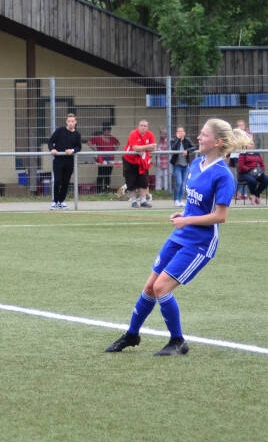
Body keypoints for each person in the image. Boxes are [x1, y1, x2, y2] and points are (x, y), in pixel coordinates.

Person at [105, 119, 251, 357]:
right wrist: (184, 215)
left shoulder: (223, 175)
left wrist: (188, 220)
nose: (199, 137)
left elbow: (220, 216)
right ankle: (131, 334)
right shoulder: (195, 164)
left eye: (204, 134)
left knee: (161, 287)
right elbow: (196, 205)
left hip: (200, 243)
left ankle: (178, 341)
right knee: (150, 287)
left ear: (217, 142)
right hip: (181, 234)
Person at [47, 113, 81, 209]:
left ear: (75, 122)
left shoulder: (77, 134)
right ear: (66, 122)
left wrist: (72, 150)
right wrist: (52, 149)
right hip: (58, 160)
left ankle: (61, 201)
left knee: (66, 182)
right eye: (69, 121)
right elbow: (50, 142)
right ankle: (55, 201)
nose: (71, 123)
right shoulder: (60, 131)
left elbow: (78, 147)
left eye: (72, 121)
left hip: (69, 162)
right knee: (57, 181)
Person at [122, 119, 156, 208]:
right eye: (141, 125)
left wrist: (142, 148)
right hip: (130, 160)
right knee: (131, 181)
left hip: (142, 161)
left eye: (145, 126)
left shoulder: (150, 134)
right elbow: (135, 148)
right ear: (138, 126)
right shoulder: (133, 133)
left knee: (143, 181)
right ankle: (133, 201)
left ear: (147, 127)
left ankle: (143, 201)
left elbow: (154, 148)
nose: (143, 127)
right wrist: (147, 147)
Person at [88, 123, 119, 194]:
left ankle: (106, 189)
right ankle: (99, 191)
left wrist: (115, 149)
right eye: (107, 131)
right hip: (101, 159)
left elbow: (118, 143)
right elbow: (89, 142)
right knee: (101, 174)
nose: (108, 132)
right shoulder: (98, 138)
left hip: (110, 159)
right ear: (103, 131)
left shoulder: (112, 138)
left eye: (109, 130)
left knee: (108, 175)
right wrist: (94, 149)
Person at [170, 126, 196, 207]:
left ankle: (180, 200)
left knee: (184, 184)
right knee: (179, 182)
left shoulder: (187, 140)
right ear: (176, 133)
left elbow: (194, 147)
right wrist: (178, 139)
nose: (180, 133)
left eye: (181, 131)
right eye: (178, 131)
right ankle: (176, 200)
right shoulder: (173, 140)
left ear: (184, 132)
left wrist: (187, 151)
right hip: (177, 165)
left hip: (185, 165)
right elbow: (173, 148)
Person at [237, 138, 267, 205]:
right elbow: (241, 166)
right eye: (250, 144)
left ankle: (256, 195)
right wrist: (249, 170)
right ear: (246, 145)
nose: (252, 145)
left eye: (252, 144)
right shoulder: (243, 153)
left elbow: (262, 164)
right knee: (252, 180)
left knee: (266, 179)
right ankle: (253, 196)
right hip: (244, 174)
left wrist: (262, 170)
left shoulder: (257, 153)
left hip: (256, 173)